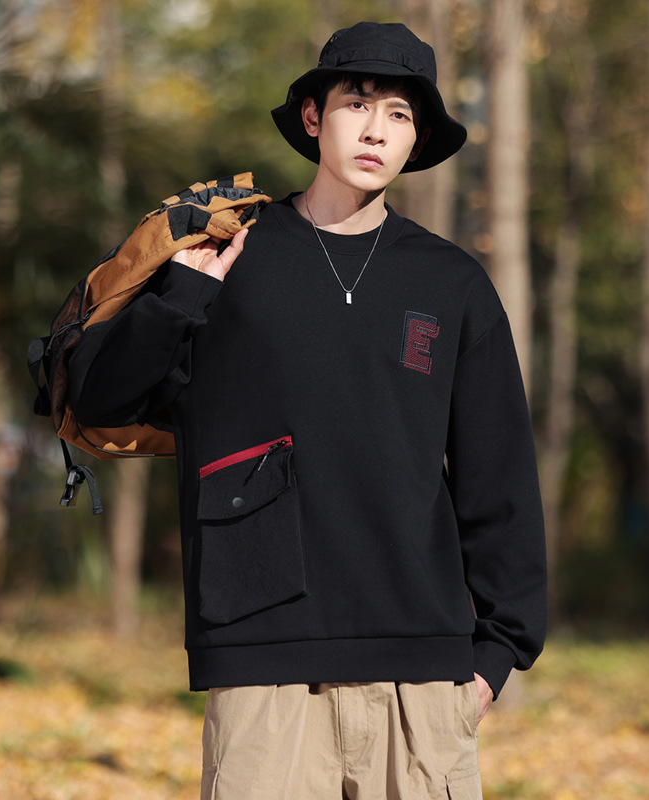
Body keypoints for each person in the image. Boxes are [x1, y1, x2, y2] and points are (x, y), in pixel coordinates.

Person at [68, 20, 547, 800]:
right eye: (358, 103)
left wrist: (497, 656)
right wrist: (183, 295)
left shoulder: (452, 283)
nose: (376, 129)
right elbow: (101, 399)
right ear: (314, 116)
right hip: (263, 670)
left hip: (423, 677)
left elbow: (500, 478)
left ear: (417, 139)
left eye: (400, 114)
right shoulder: (228, 254)